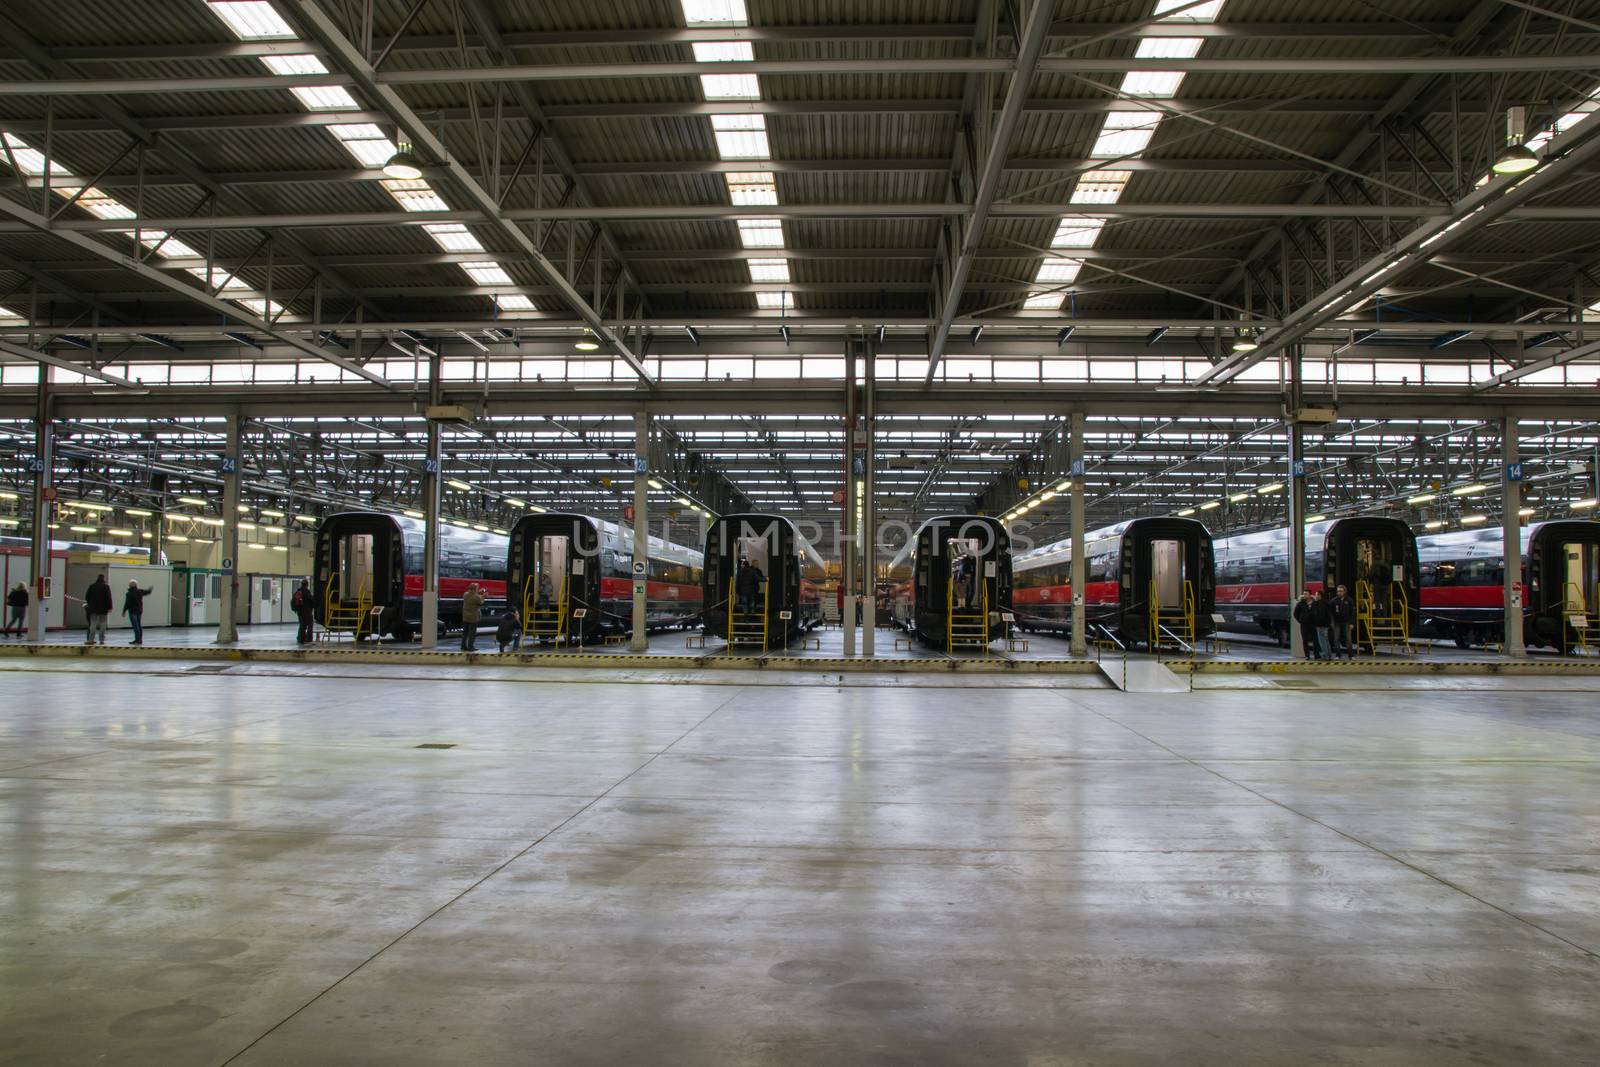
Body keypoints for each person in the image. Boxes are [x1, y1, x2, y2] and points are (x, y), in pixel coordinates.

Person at [121, 580, 153, 646]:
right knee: (139, 625)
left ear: (129, 586)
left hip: (132, 612)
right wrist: (150, 589)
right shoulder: (140, 591)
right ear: (136, 585)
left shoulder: (129, 593)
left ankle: (137, 640)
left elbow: (127, 603)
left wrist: (124, 611)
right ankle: (140, 639)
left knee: (135, 626)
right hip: (139, 611)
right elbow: (147, 592)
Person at [84, 575, 113, 646]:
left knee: (93, 624)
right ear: (103, 579)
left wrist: (90, 603)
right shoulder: (106, 587)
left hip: (93, 609)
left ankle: (91, 640)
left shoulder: (92, 586)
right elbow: (108, 598)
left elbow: (87, 597)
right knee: (103, 624)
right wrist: (110, 607)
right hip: (103, 609)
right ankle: (101, 640)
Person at [1329, 583, 1356, 660]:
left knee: (1348, 639)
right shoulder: (1333, 601)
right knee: (1336, 639)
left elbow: (1352, 613)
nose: (1339, 592)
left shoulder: (1349, 600)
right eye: (1338, 591)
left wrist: (1352, 623)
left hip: (1347, 622)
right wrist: (1332, 622)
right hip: (1337, 622)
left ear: (1345, 591)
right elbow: (1330, 612)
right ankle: (1338, 655)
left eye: (1341, 591)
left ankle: (1351, 655)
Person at [1292, 589, 1319, 659]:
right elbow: (1295, 614)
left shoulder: (1315, 603)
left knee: (1315, 639)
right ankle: (1307, 655)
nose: (1304, 595)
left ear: (1310, 595)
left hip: (1313, 624)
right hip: (1304, 624)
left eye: (1306, 594)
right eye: (1304, 594)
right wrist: (1301, 620)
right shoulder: (1300, 603)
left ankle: (1316, 654)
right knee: (1305, 639)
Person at [1310, 588, 1333, 660]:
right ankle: (1329, 655)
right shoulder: (1327, 603)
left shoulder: (1315, 604)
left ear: (1320, 596)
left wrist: (1316, 623)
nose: (1315, 596)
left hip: (1319, 625)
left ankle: (1325, 655)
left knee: (1322, 641)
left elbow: (1315, 614)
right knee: (1326, 640)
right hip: (1326, 625)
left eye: (1317, 595)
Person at [461, 583, 484, 651]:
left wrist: (479, 592)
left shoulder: (465, 594)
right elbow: (480, 602)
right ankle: (470, 647)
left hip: (465, 617)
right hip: (473, 617)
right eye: (477, 588)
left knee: (465, 632)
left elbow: (473, 595)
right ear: (475, 589)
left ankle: (463, 646)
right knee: (472, 633)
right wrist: (483, 596)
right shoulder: (476, 597)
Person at [291, 579, 315, 644]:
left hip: (299, 611)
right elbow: (312, 601)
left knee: (302, 625)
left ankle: (301, 638)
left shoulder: (298, 591)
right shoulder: (307, 592)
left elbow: (293, 601)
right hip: (307, 611)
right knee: (310, 624)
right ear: (307, 585)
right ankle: (309, 638)